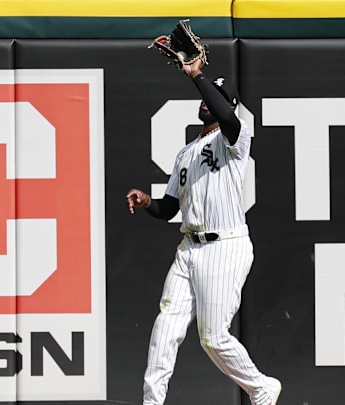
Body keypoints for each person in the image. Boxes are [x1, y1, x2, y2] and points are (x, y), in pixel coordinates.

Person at [126, 57, 282, 405]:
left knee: (213, 337)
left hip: (224, 245)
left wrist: (197, 76)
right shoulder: (186, 153)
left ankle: (260, 387)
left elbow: (226, 116)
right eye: (207, 94)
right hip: (189, 248)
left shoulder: (235, 138)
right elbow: (169, 208)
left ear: (229, 105)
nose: (205, 101)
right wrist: (147, 200)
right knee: (166, 323)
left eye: (215, 96)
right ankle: (152, 400)